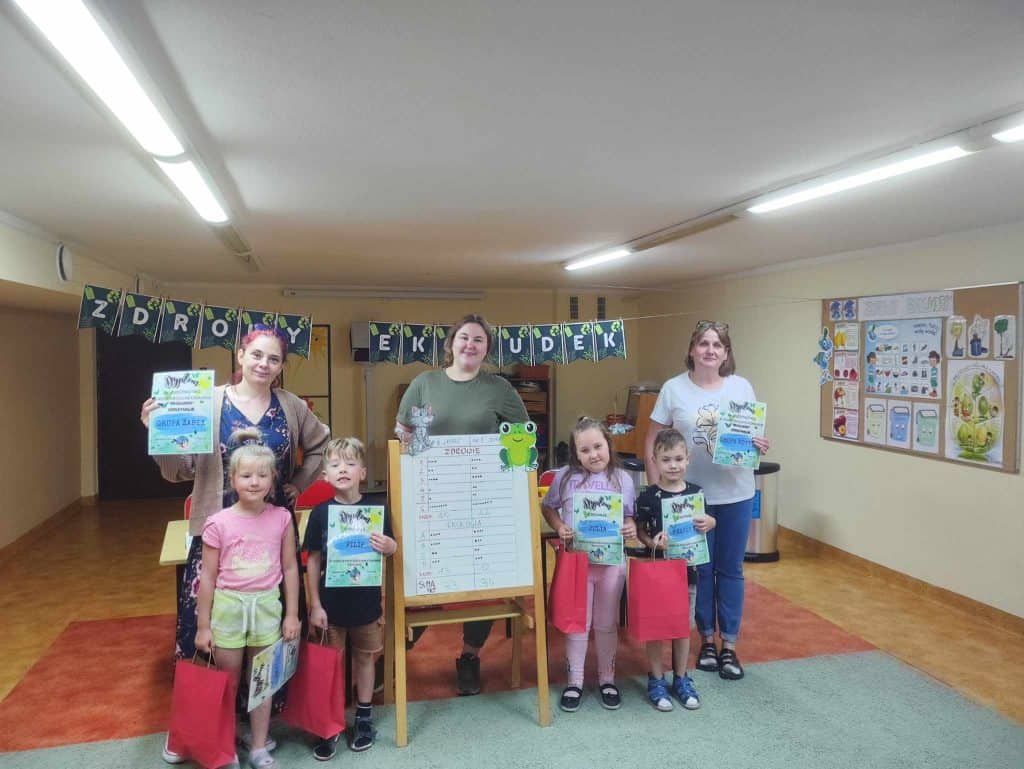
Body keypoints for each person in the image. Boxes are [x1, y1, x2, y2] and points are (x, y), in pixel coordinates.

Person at [141, 325, 330, 763]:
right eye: (257, 355)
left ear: (281, 366)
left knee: (265, 634)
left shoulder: (291, 406)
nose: (264, 364)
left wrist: (299, 484)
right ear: (241, 355)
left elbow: (321, 445)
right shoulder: (206, 402)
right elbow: (178, 469)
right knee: (202, 634)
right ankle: (195, 727)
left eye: (274, 359)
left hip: (270, 538)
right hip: (217, 534)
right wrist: (159, 431)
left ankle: (251, 727)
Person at [395, 314, 529, 696]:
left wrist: (506, 469)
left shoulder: (499, 388)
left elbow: (521, 435)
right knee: (425, 574)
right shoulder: (425, 383)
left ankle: (469, 656)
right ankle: (399, 650)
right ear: (451, 343)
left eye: (479, 340)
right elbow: (403, 431)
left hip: (481, 500)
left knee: (481, 581)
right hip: (431, 499)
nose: (470, 345)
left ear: (487, 349)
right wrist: (412, 447)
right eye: (464, 338)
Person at [643, 320, 770, 681]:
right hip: (689, 497)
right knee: (700, 570)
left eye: (717, 345)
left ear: (726, 353)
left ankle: (729, 644)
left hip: (736, 492)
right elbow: (651, 441)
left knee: (730, 569)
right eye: (703, 343)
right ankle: (707, 640)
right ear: (692, 349)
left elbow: (752, 436)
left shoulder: (741, 387)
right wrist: (655, 494)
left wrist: (760, 444)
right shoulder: (673, 389)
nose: (710, 350)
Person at [193, 427, 302, 769]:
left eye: (262, 475)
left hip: (267, 607)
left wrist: (292, 614)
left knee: (262, 681)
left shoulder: (281, 518)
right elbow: (207, 577)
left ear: (273, 479)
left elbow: (290, 568)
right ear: (232, 479)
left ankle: (258, 746)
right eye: (246, 476)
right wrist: (203, 626)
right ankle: (225, 747)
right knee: (228, 682)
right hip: (229, 609)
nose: (254, 482)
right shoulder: (218, 522)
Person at [303, 437, 397, 759]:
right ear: (325, 475)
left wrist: (391, 547)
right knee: (330, 665)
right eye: (335, 464)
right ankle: (329, 723)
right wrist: (315, 604)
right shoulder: (320, 513)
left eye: (350, 463)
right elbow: (313, 560)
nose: (343, 469)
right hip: (329, 607)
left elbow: (391, 546)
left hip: (366, 604)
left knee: (365, 659)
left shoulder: (378, 510)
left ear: (363, 473)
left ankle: (364, 717)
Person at [541, 417, 637, 712]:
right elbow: (548, 507)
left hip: (611, 565)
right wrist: (559, 526)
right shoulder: (565, 477)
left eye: (598, 446)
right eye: (585, 450)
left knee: (606, 624)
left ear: (609, 444)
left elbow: (629, 516)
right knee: (578, 624)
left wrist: (630, 527)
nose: (593, 454)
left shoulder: (623, 479)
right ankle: (575, 682)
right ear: (575, 453)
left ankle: (607, 679)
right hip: (577, 566)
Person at [635, 428, 716, 711]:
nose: (673, 465)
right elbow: (640, 531)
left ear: (688, 459)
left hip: (688, 572)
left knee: (682, 627)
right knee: (656, 627)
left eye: (678, 459)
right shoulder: (648, 496)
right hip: (659, 573)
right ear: (655, 461)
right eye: (666, 459)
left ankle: (681, 678)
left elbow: (706, 522)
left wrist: (711, 523)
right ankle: (657, 679)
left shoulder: (696, 494)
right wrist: (652, 542)